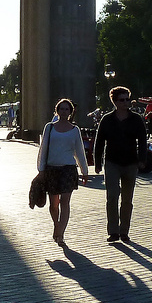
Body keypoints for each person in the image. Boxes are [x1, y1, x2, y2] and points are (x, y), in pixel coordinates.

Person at [93, 86, 148, 243]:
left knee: (127, 199)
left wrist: (142, 160)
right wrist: (97, 163)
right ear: (115, 101)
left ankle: (124, 231)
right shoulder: (107, 120)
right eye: (122, 100)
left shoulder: (136, 119)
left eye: (127, 99)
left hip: (131, 163)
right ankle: (113, 232)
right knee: (112, 197)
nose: (126, 102)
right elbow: (99, 142)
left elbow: (143, 141)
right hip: (112, 163)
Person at [36, 98, 89, 247]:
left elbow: (79, 151)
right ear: (57, 111)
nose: (64, 112)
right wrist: (41, 169)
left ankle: (60, 233)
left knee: (65, 201)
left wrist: (84, 171)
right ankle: (56, 226)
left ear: (71, 112)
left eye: (67, 109)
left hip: (68, 169)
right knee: (54, 204)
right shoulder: (49, 127)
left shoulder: (74, 130)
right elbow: (43, 148)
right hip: (52, 169)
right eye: (61, 109)